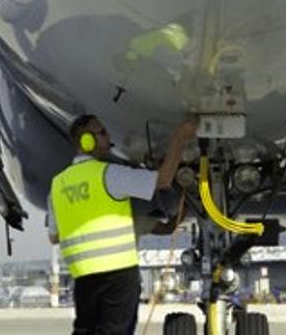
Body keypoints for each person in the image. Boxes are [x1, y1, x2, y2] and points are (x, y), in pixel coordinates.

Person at [48, 114, 197, 335]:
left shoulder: (57, 184)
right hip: (117, 276)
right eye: (102, 132)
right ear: (87, 141)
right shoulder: (108, 174)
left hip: (83, 278)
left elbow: (54, 236)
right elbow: (164, 179)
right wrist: (179, 138)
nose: (108, 137)